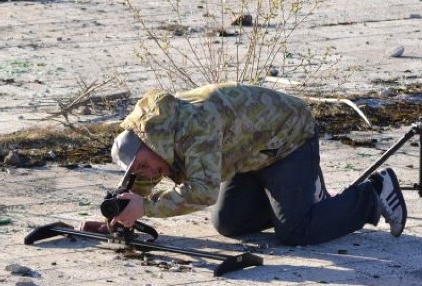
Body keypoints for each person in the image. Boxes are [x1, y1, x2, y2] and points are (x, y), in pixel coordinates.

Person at [93, 82, 406, 246]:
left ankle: (373, 195)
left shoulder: (195, 128)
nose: (147, 174)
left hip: (287, 139)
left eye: (144, 166)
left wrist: (145, 209)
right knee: (229, 225)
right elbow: (144, 178)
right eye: (139, 171)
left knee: (295, 232)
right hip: (249, 153)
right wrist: (117, 217)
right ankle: (302, 200)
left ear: (153, 145)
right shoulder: (155, 137)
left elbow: (202, 192)